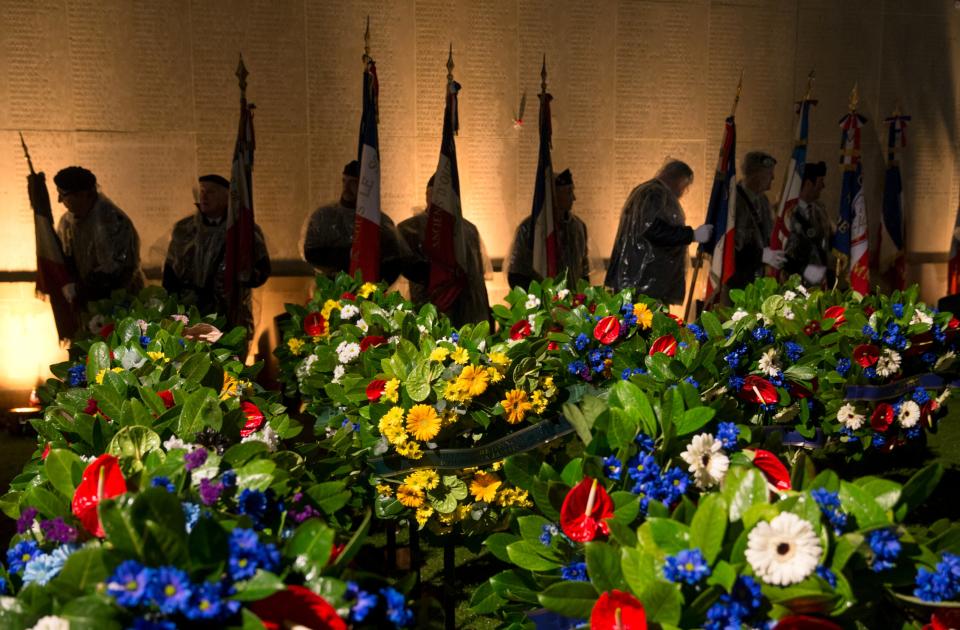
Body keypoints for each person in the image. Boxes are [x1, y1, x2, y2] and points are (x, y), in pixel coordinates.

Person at [163, 174, 271, 333]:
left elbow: (262, 270)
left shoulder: (244, 231)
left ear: (226, 196)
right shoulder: (184, 230)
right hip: (190, 313)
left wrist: (242, 274)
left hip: (229, 314)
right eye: (202, 191)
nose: (204, 196)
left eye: (211, 192)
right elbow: (170, 273)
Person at [605, 160, 713, 305]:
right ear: (677, 179)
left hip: (643, 283)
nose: (682, 192)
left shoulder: (648, 191)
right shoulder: (654, 193)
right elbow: (653, 230)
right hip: (644, 284)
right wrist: (691, 235)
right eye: (684, 186)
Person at [302, 160, 423, 285]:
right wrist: (350, 256)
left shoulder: (382, 222)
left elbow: (394, 262)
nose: (346, 188)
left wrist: (373, 288)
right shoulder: (323, 216)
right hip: (331, 291)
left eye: (353, 182)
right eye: (344, 181)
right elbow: (312, 253)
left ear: (365, 185)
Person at [397, 175, 491, 327]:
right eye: (436, 193)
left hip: (466, 314)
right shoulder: (409, 229)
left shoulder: (469, 230)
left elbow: (477, 280)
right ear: (427, 194)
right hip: (426, 312)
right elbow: (414, 274)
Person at [54, 166, 144, 307]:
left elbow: (116, 271)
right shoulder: (67, 222)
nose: (59, 200)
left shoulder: (112, 221)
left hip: (118, 303)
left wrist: (79, 289)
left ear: (83, 194)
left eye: (63, 194)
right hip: (87, 302)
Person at [506, 169, 590, 289]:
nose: (574, 198)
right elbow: (517, 272)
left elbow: (583, 269)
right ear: (554, 195)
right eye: (569, 192)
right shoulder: (530, 228)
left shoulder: (578, 227)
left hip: (571, 301)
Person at [727, 151, 785, 290]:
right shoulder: (735, 201)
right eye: (768, 173)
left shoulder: (763, 200)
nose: (773, 177)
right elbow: (730, 247)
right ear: (756, 173)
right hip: (738, 281)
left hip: (758, 276)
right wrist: (760, 255)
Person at [783, 161, 834, 287]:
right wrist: (802, 269)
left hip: (819, 283)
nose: (823, 186)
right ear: (808, 184)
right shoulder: (786, 213)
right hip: (794, 283)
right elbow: (781, 251)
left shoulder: (820, 210)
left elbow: (830, 239)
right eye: (820, 181)